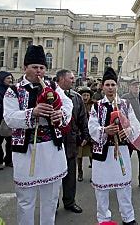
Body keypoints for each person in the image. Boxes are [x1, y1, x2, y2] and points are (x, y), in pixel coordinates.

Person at [3, 45, 73, 225]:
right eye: (35, 67)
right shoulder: (14, 90)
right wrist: (32, 112)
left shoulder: (52, 86)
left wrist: (61, 114)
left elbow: (67, 104)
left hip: (51, 149)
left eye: (42, 67)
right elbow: (10, 118)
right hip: (26, 151)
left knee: (50, 200)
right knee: (26, 200)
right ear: (25, 67)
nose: (39, 71)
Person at [88, 67, 140, 225]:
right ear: (102, 86)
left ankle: (128, 217)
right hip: (102, 152)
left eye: (113, 85)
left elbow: (136, 124)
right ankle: (103, 218)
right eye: (107, 85)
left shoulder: (125, 105)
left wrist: (128, 131)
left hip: (121, 151)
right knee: (101, 189)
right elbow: (92, 128)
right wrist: (105, 131)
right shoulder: (96, 106)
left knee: (124, 187)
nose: (110, 88)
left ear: (117, 86)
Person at [56, 69, 88, 213]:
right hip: (54, 141)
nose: (73, 80)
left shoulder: (76, 97)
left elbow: (83, 118)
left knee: (70, 173)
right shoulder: (50, 95)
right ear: (62, 79)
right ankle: (53, 204)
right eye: (71, 78)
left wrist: (85, 136)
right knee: (54, 175)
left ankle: (69, 202)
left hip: (71, 140)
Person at [0, 71, 13, 170]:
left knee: (11, 142)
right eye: (8, 78)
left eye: (11, 78)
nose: (10, 80)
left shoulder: (12, 89)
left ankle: (9, 160)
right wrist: (6, 108)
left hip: (10, 120)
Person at [77, 86, 94, 181]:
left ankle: (94, 173)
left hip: (91, 134)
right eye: (84, 95)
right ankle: (80, 172)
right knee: (79, 155)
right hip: (80, 134)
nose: (85, 97)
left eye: (87, 95)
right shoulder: (77, 105)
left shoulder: (93, 105)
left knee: (92, 154)